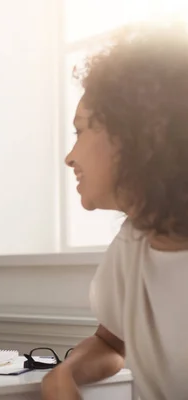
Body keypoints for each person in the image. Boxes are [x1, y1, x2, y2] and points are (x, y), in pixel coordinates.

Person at [41, 23, 188, 400]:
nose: (70, 157)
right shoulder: (133, 242)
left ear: (141, 132)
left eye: (81, 131)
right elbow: (110, 340)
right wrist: (66, 375)